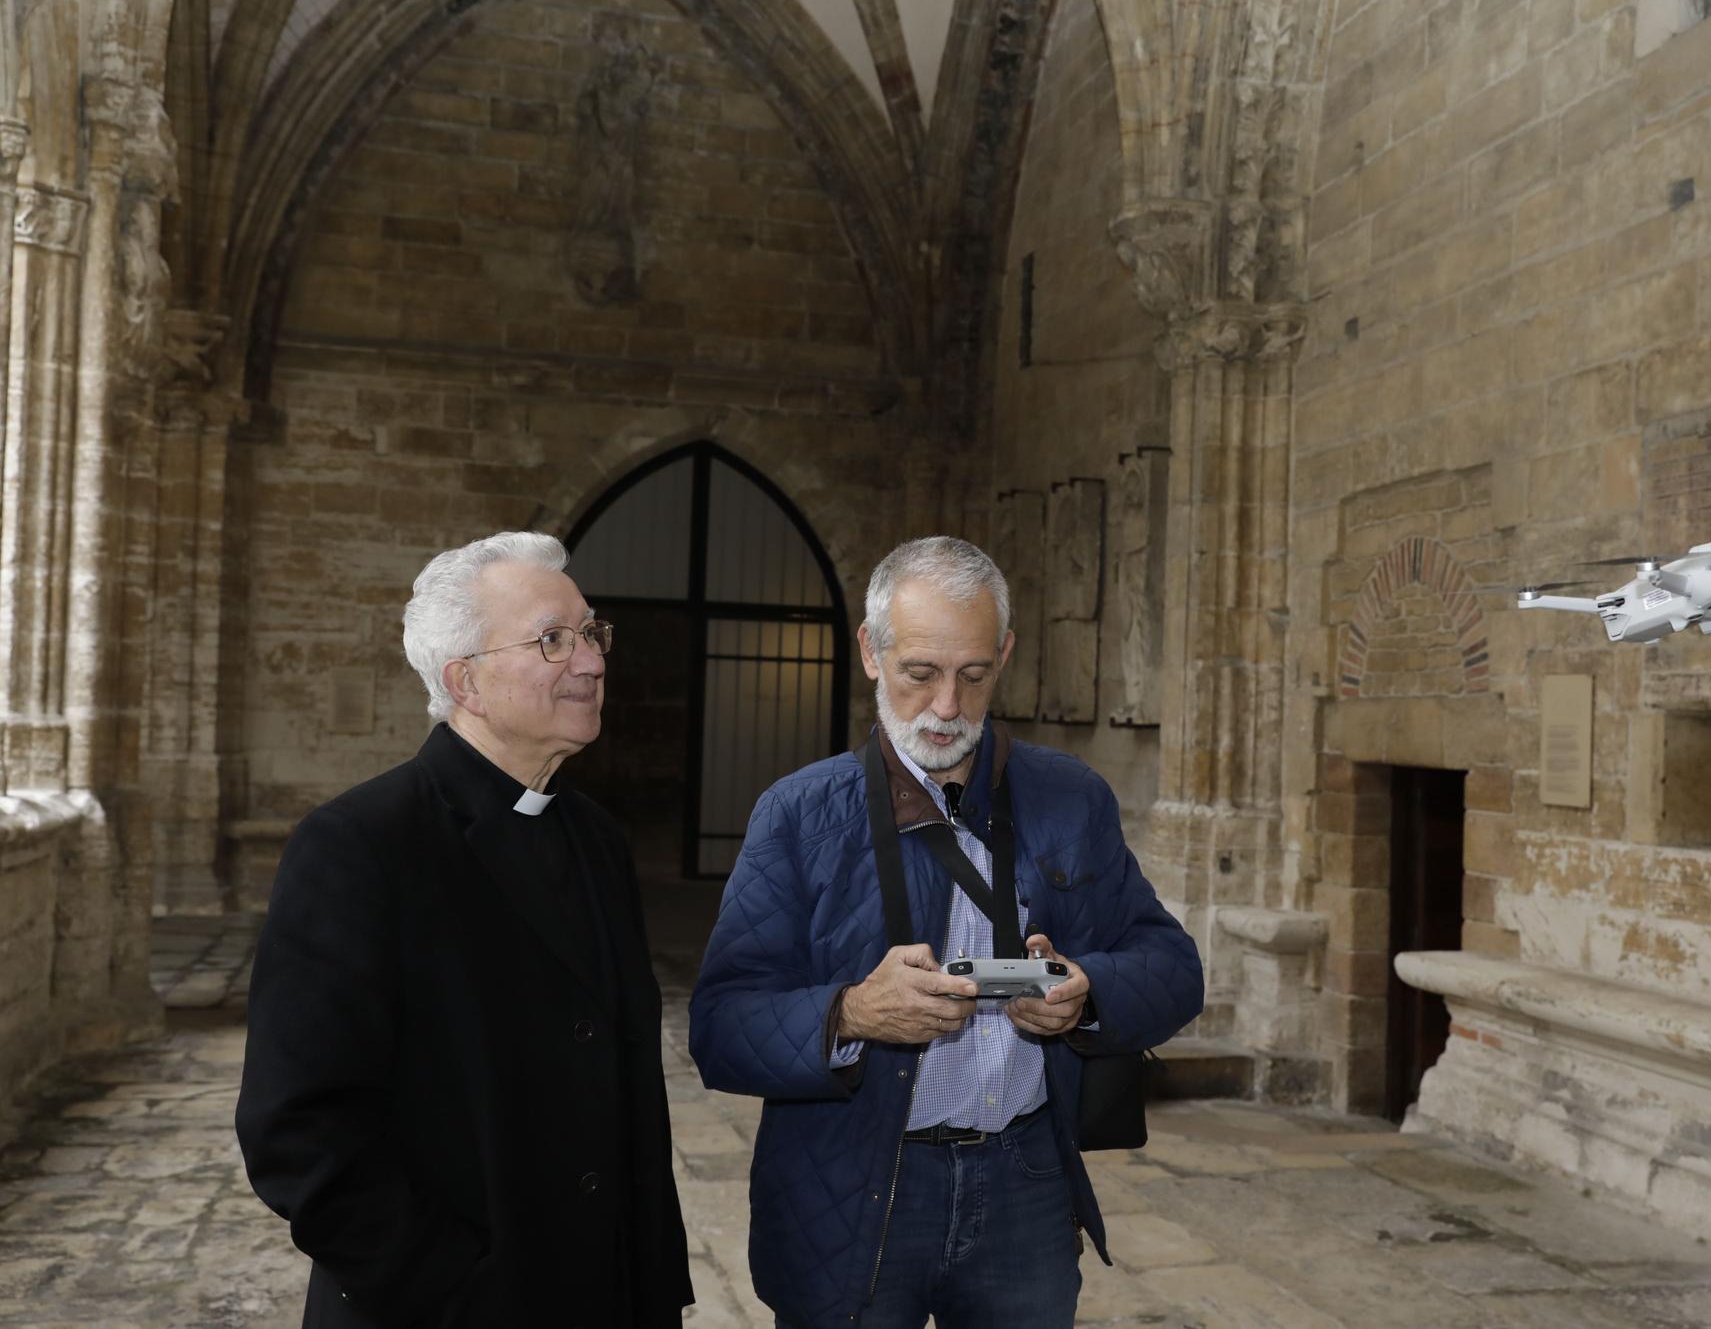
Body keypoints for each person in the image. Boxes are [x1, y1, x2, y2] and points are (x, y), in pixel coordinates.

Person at [690, 536, 1204, 1328]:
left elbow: (1173, 967)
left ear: (1004, 655)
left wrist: (1088, 990)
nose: (946, 707)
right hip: (853, 1183)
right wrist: (852, 1013)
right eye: (920, 673)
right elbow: (720, 1026)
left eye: (973, 675)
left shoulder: (1073, 797)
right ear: (870, 651)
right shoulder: (795, 814)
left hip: (1025, 1184)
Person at [236, 531, 694, 1327]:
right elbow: (299, 1131)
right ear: (466, 683)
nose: (591, 661)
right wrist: (456, 1286)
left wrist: (648, 1282)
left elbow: (625, 1094)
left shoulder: (597, 839)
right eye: (554, 639)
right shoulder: (359, 845)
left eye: (591, 633)